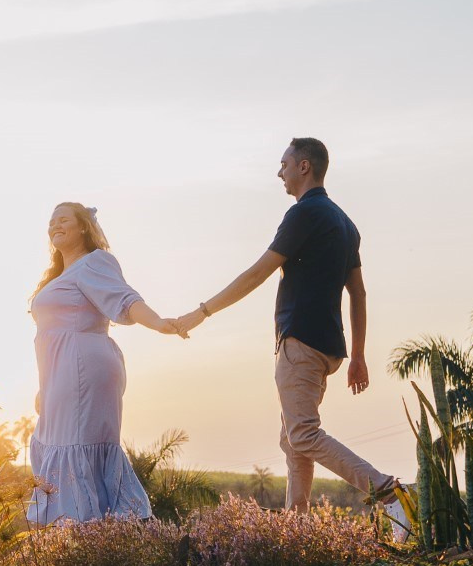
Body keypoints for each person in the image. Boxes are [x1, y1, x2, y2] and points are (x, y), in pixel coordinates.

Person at [174, 139, 407, 533]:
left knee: (302, 433)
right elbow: (359, 293)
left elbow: (256, 273)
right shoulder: (346, 224)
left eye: (283, 164)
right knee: (293, 438)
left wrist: (202, 312)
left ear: (304, 166)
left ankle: (387, 492)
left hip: (299, 340)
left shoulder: (303, 214)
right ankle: (296, 529)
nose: (278, 172)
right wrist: (359, 355)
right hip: (329, 346)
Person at [28, 202, 186, 526]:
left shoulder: (94, 262)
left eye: (63, 220)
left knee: (79, 447)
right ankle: (83, 537)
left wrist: (157, 322)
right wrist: (44, 387)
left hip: (83, 371)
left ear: (84, 227)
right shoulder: (61, 275)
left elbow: (125, 299)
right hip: (62, 375)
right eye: (51, 221)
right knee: (63, 446)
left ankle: (89, 536)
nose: (54, 225)